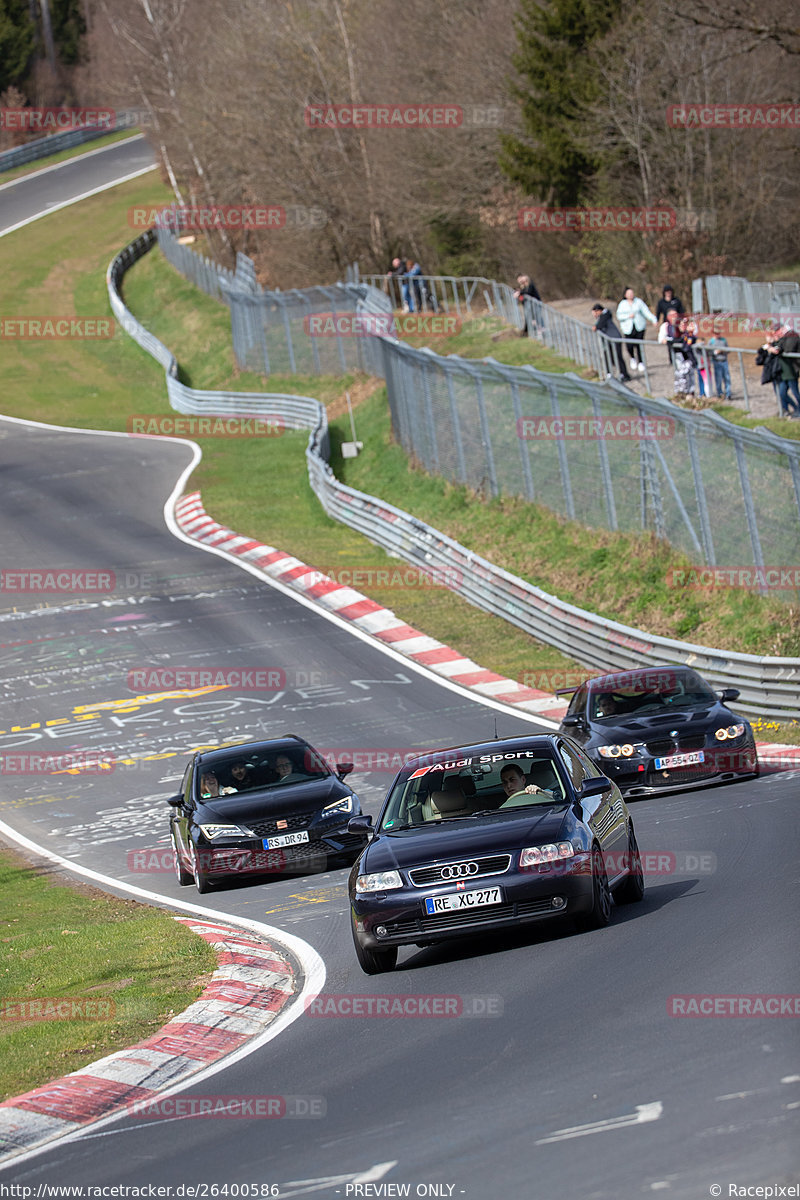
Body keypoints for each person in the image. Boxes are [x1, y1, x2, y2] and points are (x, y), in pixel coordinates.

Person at [616, 287, 657, 373]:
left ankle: (641, 362)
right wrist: (628, 316)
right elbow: (619, 316)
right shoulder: (622, 304)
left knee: (639, 345)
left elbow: (646, 311)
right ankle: (632, 358)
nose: (631, 295)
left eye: (632, 293)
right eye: (629, 293)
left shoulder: (638, 302)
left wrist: (653, 319)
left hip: (639, 327)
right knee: (630, 345)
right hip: (628, 328)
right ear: (625, 295)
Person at [591, 303, 632, 382]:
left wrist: (596, 327)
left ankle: (625, 374)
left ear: (598, 311)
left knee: (618, 356)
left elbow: (600, 324)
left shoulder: (605, 315)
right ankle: (611, 373)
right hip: (610, 340)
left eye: (595, 313)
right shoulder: (604, 315)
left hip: (615, 338)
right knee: (609, 356)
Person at [665, 308, 696, 400]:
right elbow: (671, 341)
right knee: (680, 376)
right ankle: (680, 394)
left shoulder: (689, 335)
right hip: (679, 359)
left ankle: (690, 393)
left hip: (688, 359)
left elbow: (688, 344)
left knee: (689, 375)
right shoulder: (675, 333)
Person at [770, 324, 800, 417]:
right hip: (786, 370)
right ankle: (795, 408)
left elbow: (787, 349)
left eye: (776, 331)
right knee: (782, 393)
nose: (776, 333)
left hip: (792, 369)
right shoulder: (786, 337)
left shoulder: (792, 336)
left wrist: (777, 347)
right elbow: (780, 347)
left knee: (795, 392)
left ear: (781, 329)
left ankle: (798, 410)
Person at [755, 328, 785, 413]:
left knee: (782, 393)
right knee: (778, 392)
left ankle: (792, 408)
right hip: (773, 372)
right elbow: (759, 354)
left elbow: (777, 350)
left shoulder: (777, 343)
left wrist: (771, 348)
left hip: (779, 371)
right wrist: (767, 346)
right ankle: (783, 409)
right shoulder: (768, 345)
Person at [707, 333, 732, 400]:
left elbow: (728, 349)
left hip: (724, 361)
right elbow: (708, 352)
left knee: (727, 378)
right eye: (716, 333)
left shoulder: (723, 340)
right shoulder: (711, 341)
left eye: (718, 333)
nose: (717, 335)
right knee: (718, 378)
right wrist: (715, 352)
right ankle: (719, 393)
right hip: (716, 362)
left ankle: (728, 393)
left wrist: (723, 351)